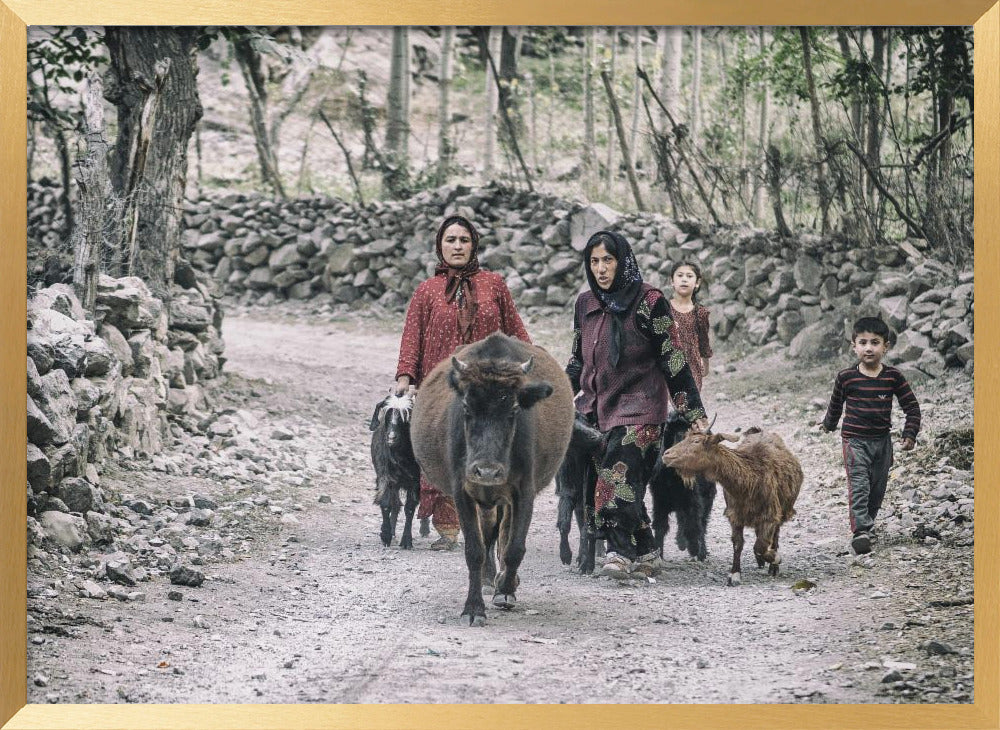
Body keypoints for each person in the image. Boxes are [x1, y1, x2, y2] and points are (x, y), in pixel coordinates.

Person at [565, 230, 708, 580]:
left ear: (623, 261)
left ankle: (619, 552)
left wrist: (693, 413)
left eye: (608, 260)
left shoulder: (650, 301)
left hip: (640, 410)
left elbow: (673, 360)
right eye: (594, 261)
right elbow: (576, 361)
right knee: (619, 483)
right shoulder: (585, 304)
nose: (601, 269)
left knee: (615, 479)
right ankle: (645, 546)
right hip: (595, 410)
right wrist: (554, 398)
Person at [394, 215, 531, 550]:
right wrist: (405, 378)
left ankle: (491, 514)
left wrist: (530, 363)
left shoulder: (494, 285)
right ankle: (447, 524)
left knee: (489, 442)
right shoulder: (426, 291)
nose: (457, 246)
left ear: (474, 245)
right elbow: (412, 338)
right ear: (440, 245)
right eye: (450, 240)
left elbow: (515, 330)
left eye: (463, 240)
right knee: (445, 448)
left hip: (487, 387)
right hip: (442, 384)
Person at [820, 316, 921, 555]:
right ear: (853, 346)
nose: (868, 348)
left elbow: (912, 407)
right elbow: (835, 406)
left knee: (877, 488)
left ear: (886, 346)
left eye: (875, 342)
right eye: (863, 342)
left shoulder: (893, 377)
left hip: (882, 442)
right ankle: (861, 531)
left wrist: (910, 433)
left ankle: (869, 523)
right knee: (859, 485)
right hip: (854, 441)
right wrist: (828, 424)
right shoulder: (846, 377)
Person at [667, 261, 713, 391]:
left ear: (697, 283)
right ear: (672, 281)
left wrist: (706, 364)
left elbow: (704, 340)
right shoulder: (664, 308)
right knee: (675, 403)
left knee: (690, 403)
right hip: (668, 364)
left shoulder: (700, 312)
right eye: (680, 275)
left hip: (692, 365)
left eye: (689, 276)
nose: (684, 280)